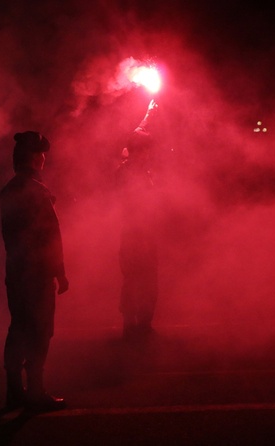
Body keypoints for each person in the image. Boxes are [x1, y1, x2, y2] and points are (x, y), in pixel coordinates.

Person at [0, 131, 69, 412]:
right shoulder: (37, 192)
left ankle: (14, 391)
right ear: (32, 158)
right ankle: (36, 391)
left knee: (18, 328)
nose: (44, 158)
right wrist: (60, 272)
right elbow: (51, 236)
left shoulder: (8, 190)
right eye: (41, 154)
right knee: (40, 331)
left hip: (16, 270)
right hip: (37, 273)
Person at [116, 99, 161, 340]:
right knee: (137, 281)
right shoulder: (131, 172)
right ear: (140, 151)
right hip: (137, 235)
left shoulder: (130, 165)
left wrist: (147, 115)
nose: (150, 154)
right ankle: (133, 327)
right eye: (147, 150)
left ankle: (140, 325)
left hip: (141, 235)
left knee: (141, 281)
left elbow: (133, 139)